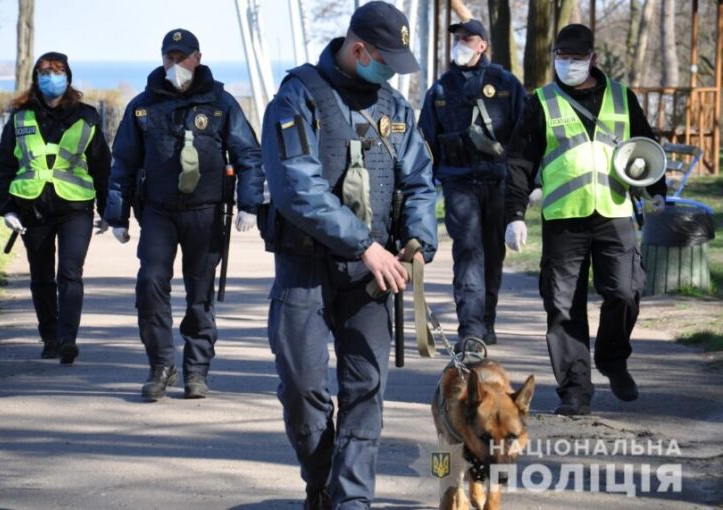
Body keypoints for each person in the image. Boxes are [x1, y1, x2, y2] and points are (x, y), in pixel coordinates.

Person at [260, 2, 438, 508]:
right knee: (302, 390)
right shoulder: (296, 98)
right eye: (387, 61)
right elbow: (298, 189)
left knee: (366, 390)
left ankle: (352, 500)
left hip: (372, 276)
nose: (391, 74)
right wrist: (365, 245)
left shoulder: (396, 110)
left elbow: (421, 182)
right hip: (305, 268)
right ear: (360, 49)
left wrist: (417, 240)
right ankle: (321, 481)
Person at [504, 24, 667, 416]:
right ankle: (575, 390)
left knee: (625, 292)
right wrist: (514, 215)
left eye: (577, 58)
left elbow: (645, 145)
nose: (568, 64)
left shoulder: (622, 97)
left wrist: (656, 189)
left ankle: (612, 358)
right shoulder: (539, 101)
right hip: (564, 218)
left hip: (614, 213)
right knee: (563, 308)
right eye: (562, 56)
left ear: (592, 58)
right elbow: (520, 162)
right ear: (554, 57)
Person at [104, 29, 264, 402]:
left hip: (206, 214)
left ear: (198, 58)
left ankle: (196, 370)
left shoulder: (221, 103)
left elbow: (248, 155)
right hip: (158, 212)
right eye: (170, 58)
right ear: (162, 60)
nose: (176, 65)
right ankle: (161, 365)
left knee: (200, 295)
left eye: (183, 57)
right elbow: (123, 162)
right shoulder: (142, 106)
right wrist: (117, 215)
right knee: (150, 286)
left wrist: (250, 204)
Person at [0, 52, 111, 365]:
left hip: (75, 207)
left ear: (68, 77)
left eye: (57, 71)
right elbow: (5, 164)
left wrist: (108, 209)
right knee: (42, 276)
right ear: (36, 77)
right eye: (45, 72)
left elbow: (102, 166)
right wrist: (6, 209)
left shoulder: (87, 117)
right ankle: (50, 336)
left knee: (70, 274)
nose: (51, 77)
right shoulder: (20, 117)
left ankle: (67, 338)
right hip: (32, 208)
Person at [419, 19, 525, 346]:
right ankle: (471, 330)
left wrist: (525, 185)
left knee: (492, 256)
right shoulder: (440, 87)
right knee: (468, 253)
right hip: (458, 183)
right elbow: (425, 141)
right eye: (457, 39)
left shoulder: (506, 84)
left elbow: (524, 136)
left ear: (483, 45)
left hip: (498, 182)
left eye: (468, 39)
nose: (460, 43)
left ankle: (486, 320)